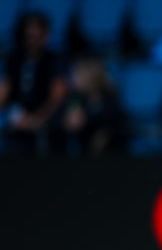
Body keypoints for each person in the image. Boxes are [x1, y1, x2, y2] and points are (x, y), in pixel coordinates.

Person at [0, 12, 68, 155]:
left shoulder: (54, 61)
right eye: (29, 37)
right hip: (17, 121)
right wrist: (13, 116)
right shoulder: (15, 60)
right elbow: (3, 93)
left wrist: (37, 119)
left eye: (37, 37)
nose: (32, 41)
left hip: (47, 122)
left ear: (45, 36)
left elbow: (57, 96)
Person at [54, 57, 127, 156]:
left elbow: (114, 118)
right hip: (80, 152)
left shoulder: (109, 97)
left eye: (78, 74)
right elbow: (68, 119)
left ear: (90, 76)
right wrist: (70, 120)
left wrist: (88, 119)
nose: (74, 78)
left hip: (110, 154)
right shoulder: (75, 98)